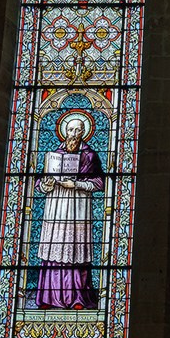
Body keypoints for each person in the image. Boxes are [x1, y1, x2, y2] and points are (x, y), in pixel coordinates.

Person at [35, 117, 104, 309]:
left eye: (78, 130)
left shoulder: (90, 156)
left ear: (84, 133)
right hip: (56, 208)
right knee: (54, 249)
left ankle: (78, 299)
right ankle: (49, 298)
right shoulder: (54, 155)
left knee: (75, 251)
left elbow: (100, 183)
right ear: (65, 131)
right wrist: (45, 184)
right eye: (71, 130)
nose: (74, 134)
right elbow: (40, 183)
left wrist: (77, 184)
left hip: (78, 208)